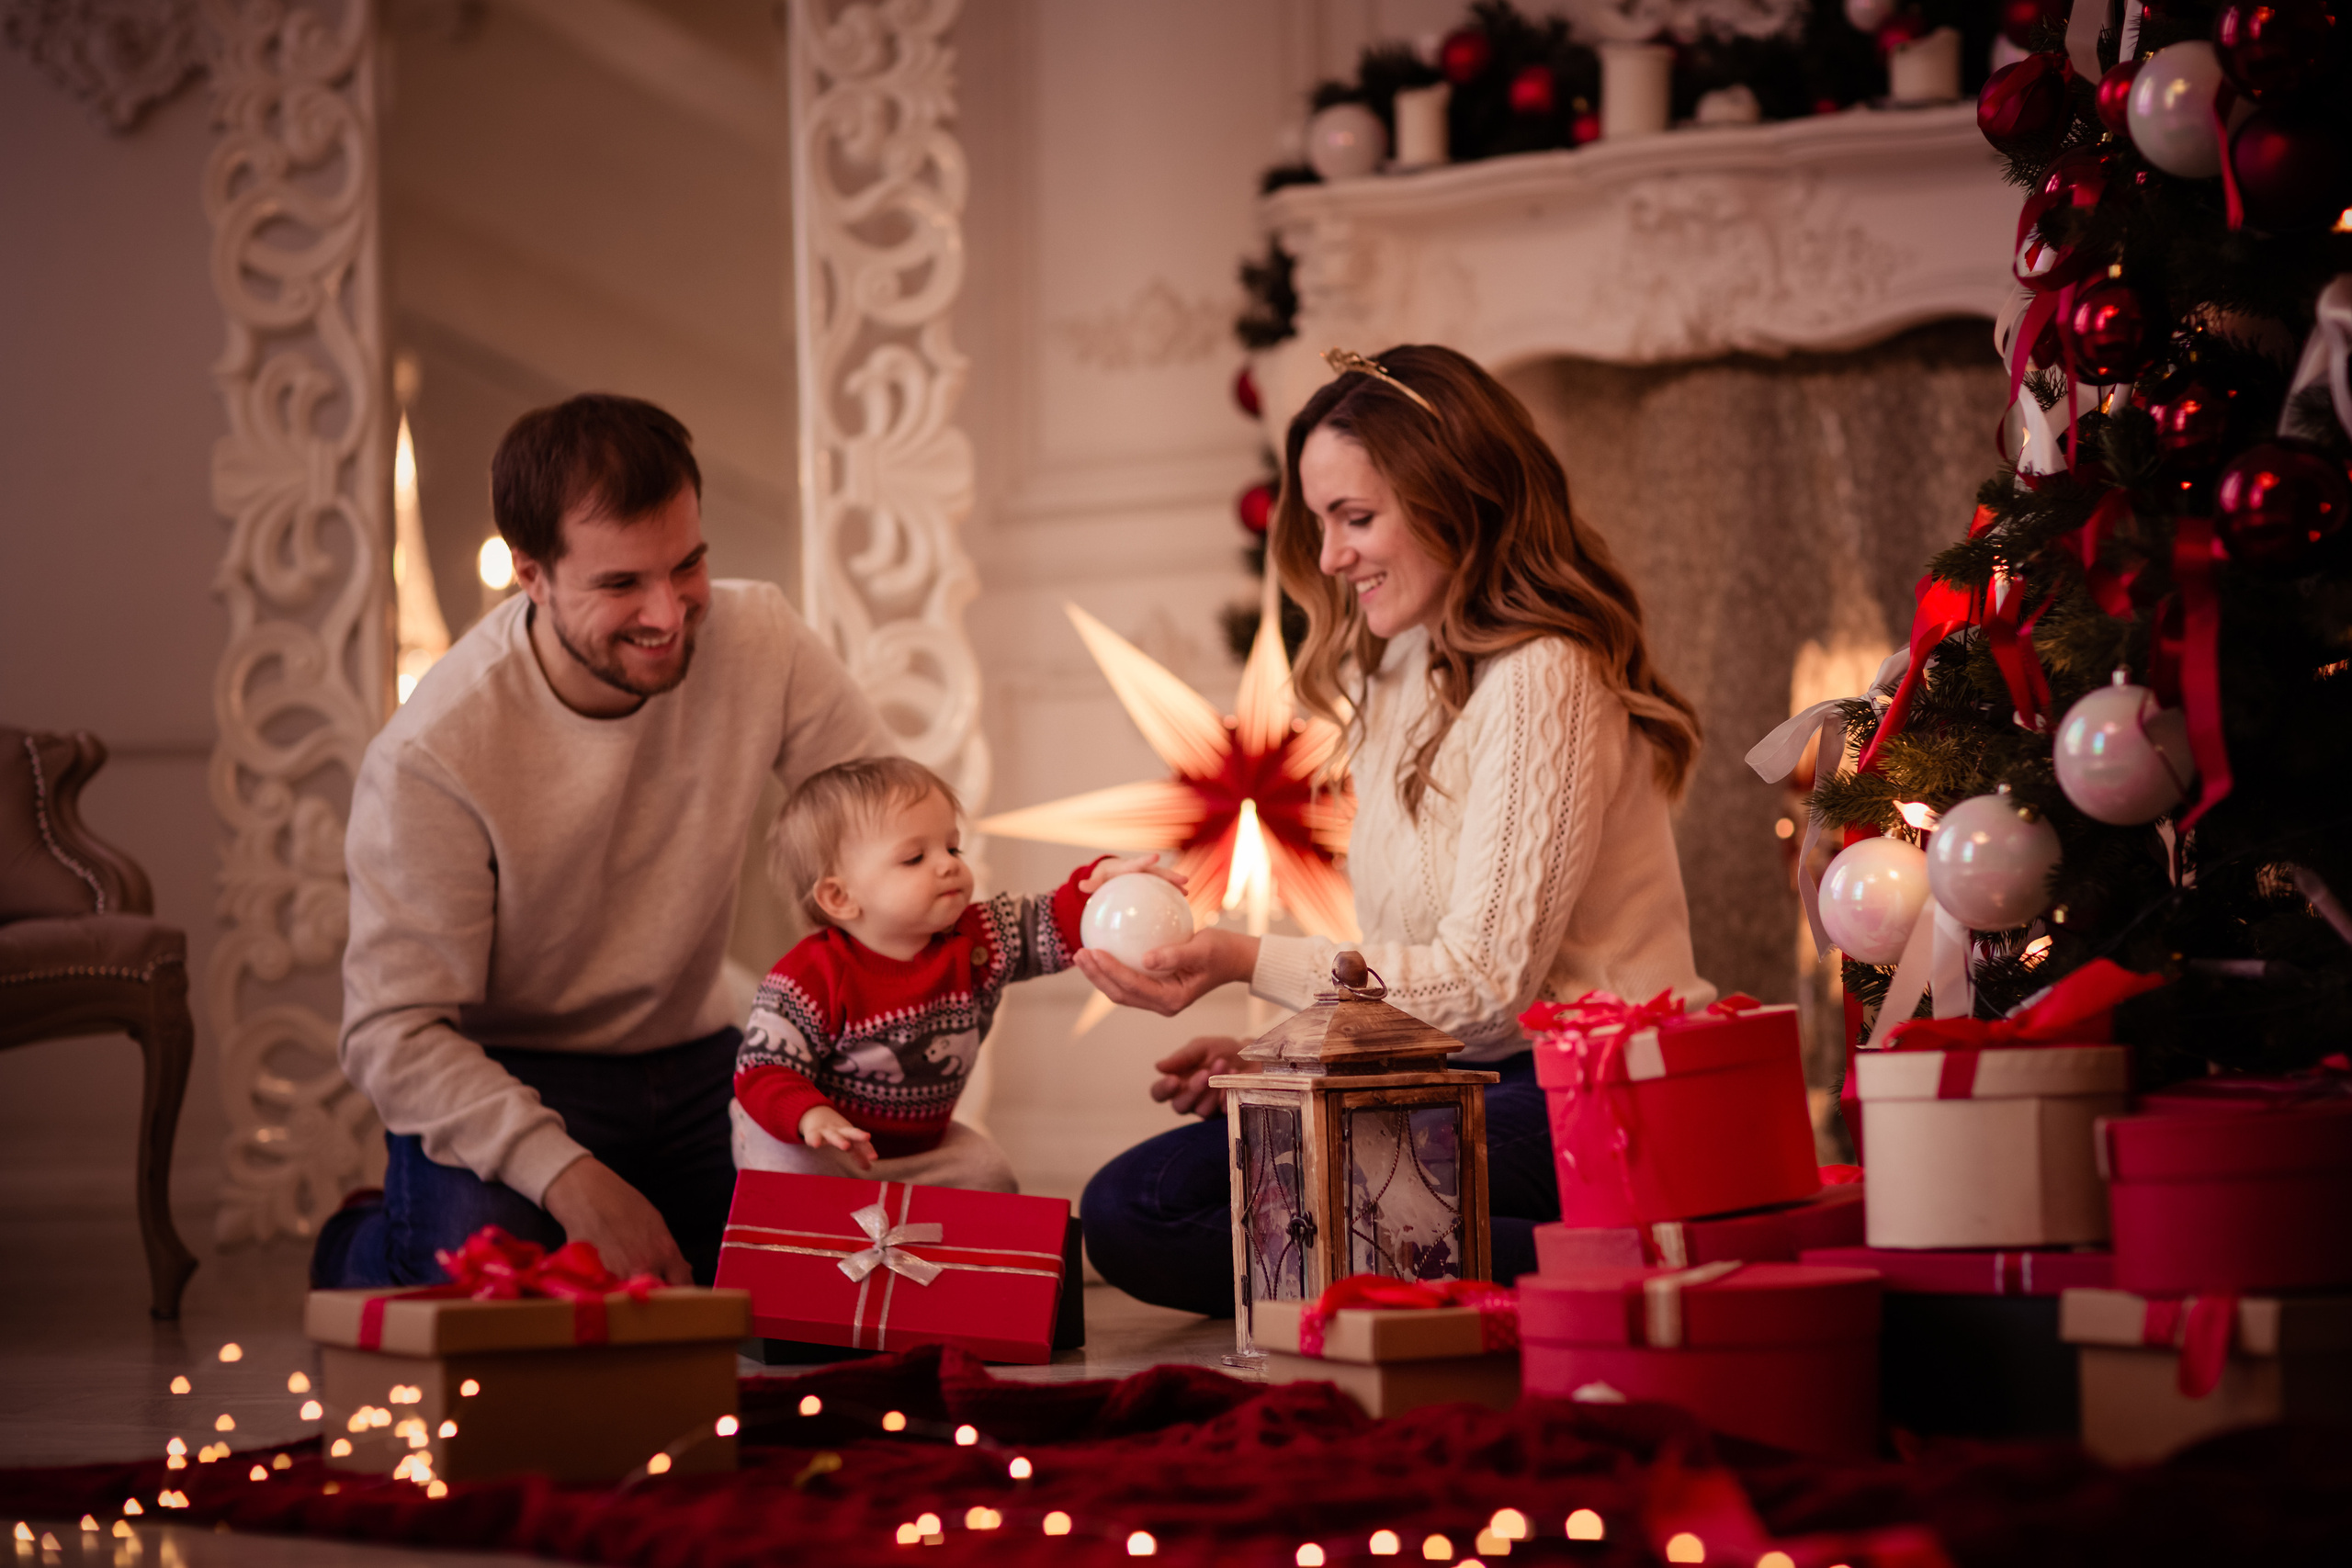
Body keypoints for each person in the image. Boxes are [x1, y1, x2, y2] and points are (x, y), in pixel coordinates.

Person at [1074, 345, 1713, 1313]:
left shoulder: (1545, 673)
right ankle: (1605, 1256)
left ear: (1457, 497)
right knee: (1138, 1202)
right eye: (1321, 521)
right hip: (1469, 1082)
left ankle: (1636, 1254)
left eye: (1356, 518)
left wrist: (1244, 960)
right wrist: (1282, 1058)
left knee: (1158, 1209)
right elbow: (1416, 971)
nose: (1331, 557)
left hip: (1588, 1089)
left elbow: (1485, 994)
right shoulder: (1395, 667)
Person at [313, 393, 891, 1290]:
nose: (669, 613)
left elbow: (888, 820)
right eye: (621, 584)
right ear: (531, 575)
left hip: (704, 1056)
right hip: (514, 1073)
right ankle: (360, 1239)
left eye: (688, 563)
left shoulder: (762, 638)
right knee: (492, 1292)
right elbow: (392, 1032)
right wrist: (572, 1179)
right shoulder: (432, 754)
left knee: (832, 1282)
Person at [731, 755, 1177, 1190]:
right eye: (914, 858)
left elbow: (1054, 918)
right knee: (782, 1169)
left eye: (951, 847)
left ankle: (965, 1261)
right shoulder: (807, 978)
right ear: (840, 897)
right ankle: (798, 1258)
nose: (947, 864)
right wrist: (808, 1114)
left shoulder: (981, 940)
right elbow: (763, 1067)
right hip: (826, 1146)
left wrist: (1098, 884)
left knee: (989, 1172)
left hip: (926, 1150)